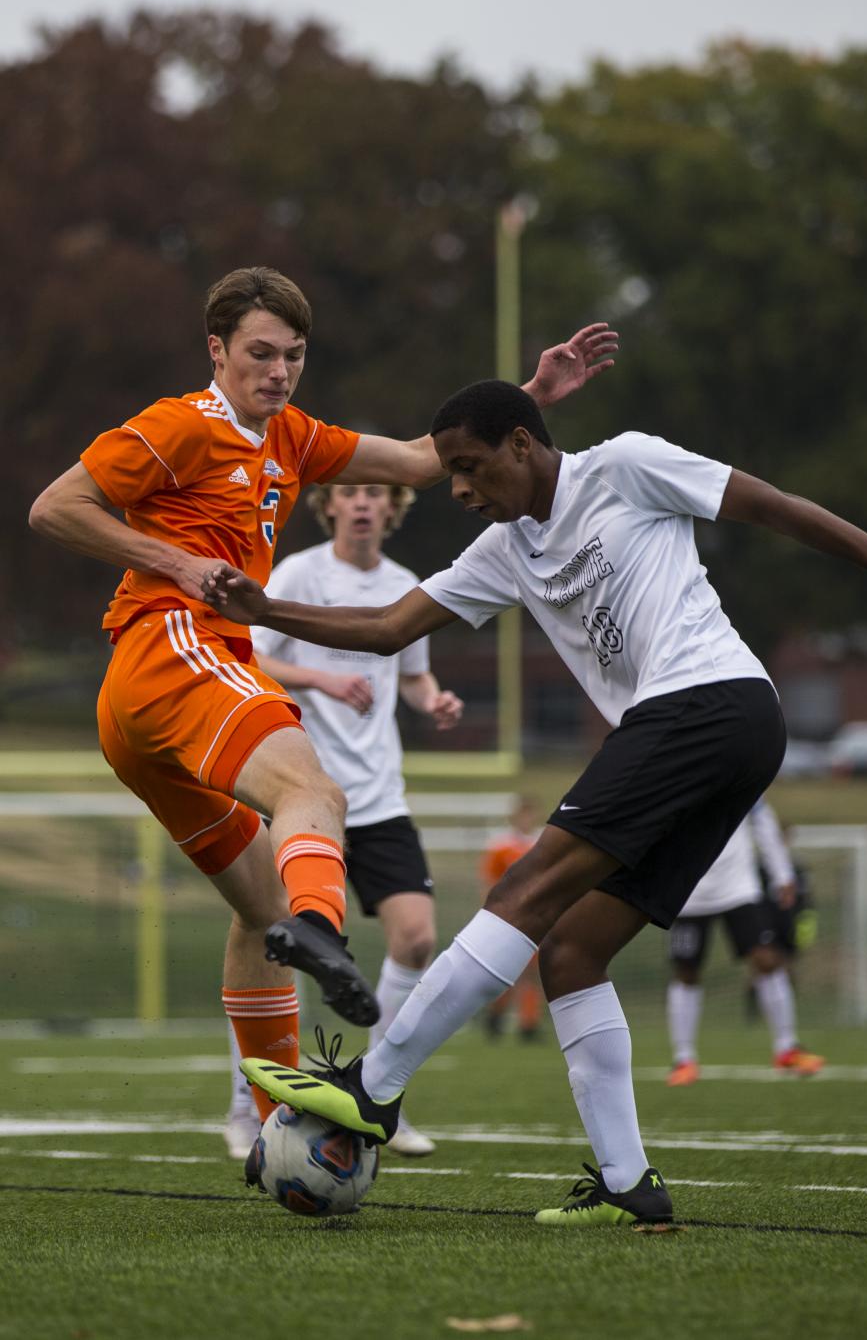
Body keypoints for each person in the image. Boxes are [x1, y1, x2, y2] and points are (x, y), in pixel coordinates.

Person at [206, 378, 867, 1232]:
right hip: (717, 732)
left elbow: (778, 508)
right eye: (449, 474)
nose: (460, 489)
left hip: (709, 701)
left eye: (468, 467)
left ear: (519, 443)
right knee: (572, 950)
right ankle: (628, 1184)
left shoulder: (624, 465)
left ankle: (375, 1086)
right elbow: (392, 625)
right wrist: (265, 609)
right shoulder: (504, 550)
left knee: (523, 894)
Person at [27, 269, 617, 1128]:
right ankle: (324, 934)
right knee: (315, 794)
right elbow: (55, 507)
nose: (278, 371)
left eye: (293, 355)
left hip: (154, 696)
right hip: (172, 647)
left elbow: (420, 459)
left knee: (256, 907)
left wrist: (528, 396)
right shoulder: (181, 425)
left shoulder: (293, 437)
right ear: (217, 350)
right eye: (260, 353)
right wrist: (180, 563)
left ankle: (273, 1125)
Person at [224, 478, 463, 1160]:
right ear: (328, 505)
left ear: (392, 508)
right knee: (272, 943)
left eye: (375, 493)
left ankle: (378, 1092)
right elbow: (248, 655)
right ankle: (247, 1108)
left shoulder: (404, 582)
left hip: (380, 799)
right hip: (301, 793)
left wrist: (434, 699)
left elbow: (412, 674)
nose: (362, 502)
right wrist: (323, 680)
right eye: (350, 492)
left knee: (416, 939)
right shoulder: (297, 573)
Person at [666, 796, 825, 1086]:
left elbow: (763, 819)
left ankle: (786, 1048)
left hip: (738, 887)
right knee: (686, 971)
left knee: (767, 958)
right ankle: (684, 1058)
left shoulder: (740, 768)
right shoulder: (678, 771)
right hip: (690, 890)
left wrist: (782, 874)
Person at [480, 798, 543, 1041]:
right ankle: (495, 1016)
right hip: (506, 916)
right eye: (523, 815)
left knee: (531, 972)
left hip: (535, 914)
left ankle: (529, 1023)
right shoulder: (501, 846)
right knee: (504, 969)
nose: (527, 820)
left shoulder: (541, 843)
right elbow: (488, 881)